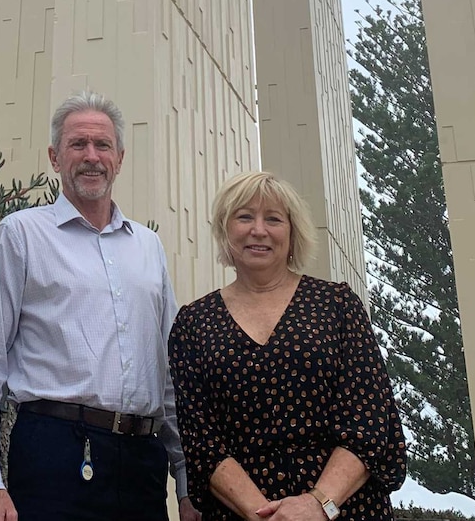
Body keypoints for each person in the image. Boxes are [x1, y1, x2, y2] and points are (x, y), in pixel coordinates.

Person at [0, 90, 201, 521]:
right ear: (54, 156)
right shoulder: (21, 235)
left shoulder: (149, 248)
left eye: (102, 145)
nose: (91, 156)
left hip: (143, 465)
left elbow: (168, 378)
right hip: (54, 456)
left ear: (119, 157)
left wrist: (185, 482)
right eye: (77, 144)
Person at [168, 170, 407, 521]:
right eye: (244, 216)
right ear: (225, 229)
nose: (258, 230)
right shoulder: (193, 324)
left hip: (344, 509)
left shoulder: (337, 306)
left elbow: (370, 424)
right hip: (242, 513)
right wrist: (265, 515)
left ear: (293, 233)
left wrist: (316, 505)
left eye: (274, 219)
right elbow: (202, 444)